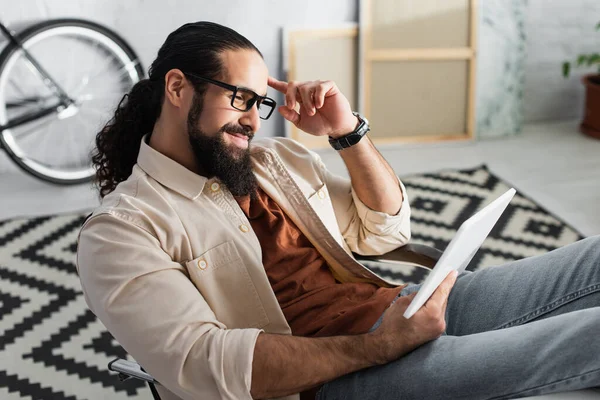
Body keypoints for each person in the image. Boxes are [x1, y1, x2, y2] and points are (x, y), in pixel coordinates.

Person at [76, 21, 600, 400]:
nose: (254, 122)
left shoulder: (274, 162)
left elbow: (383, 228)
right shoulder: (122, 232)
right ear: (176, 87)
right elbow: (208, 364)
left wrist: (347, 132)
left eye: (260, 103)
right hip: (337, 375)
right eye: (240, 98)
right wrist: (377, 349)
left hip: (401, 311)